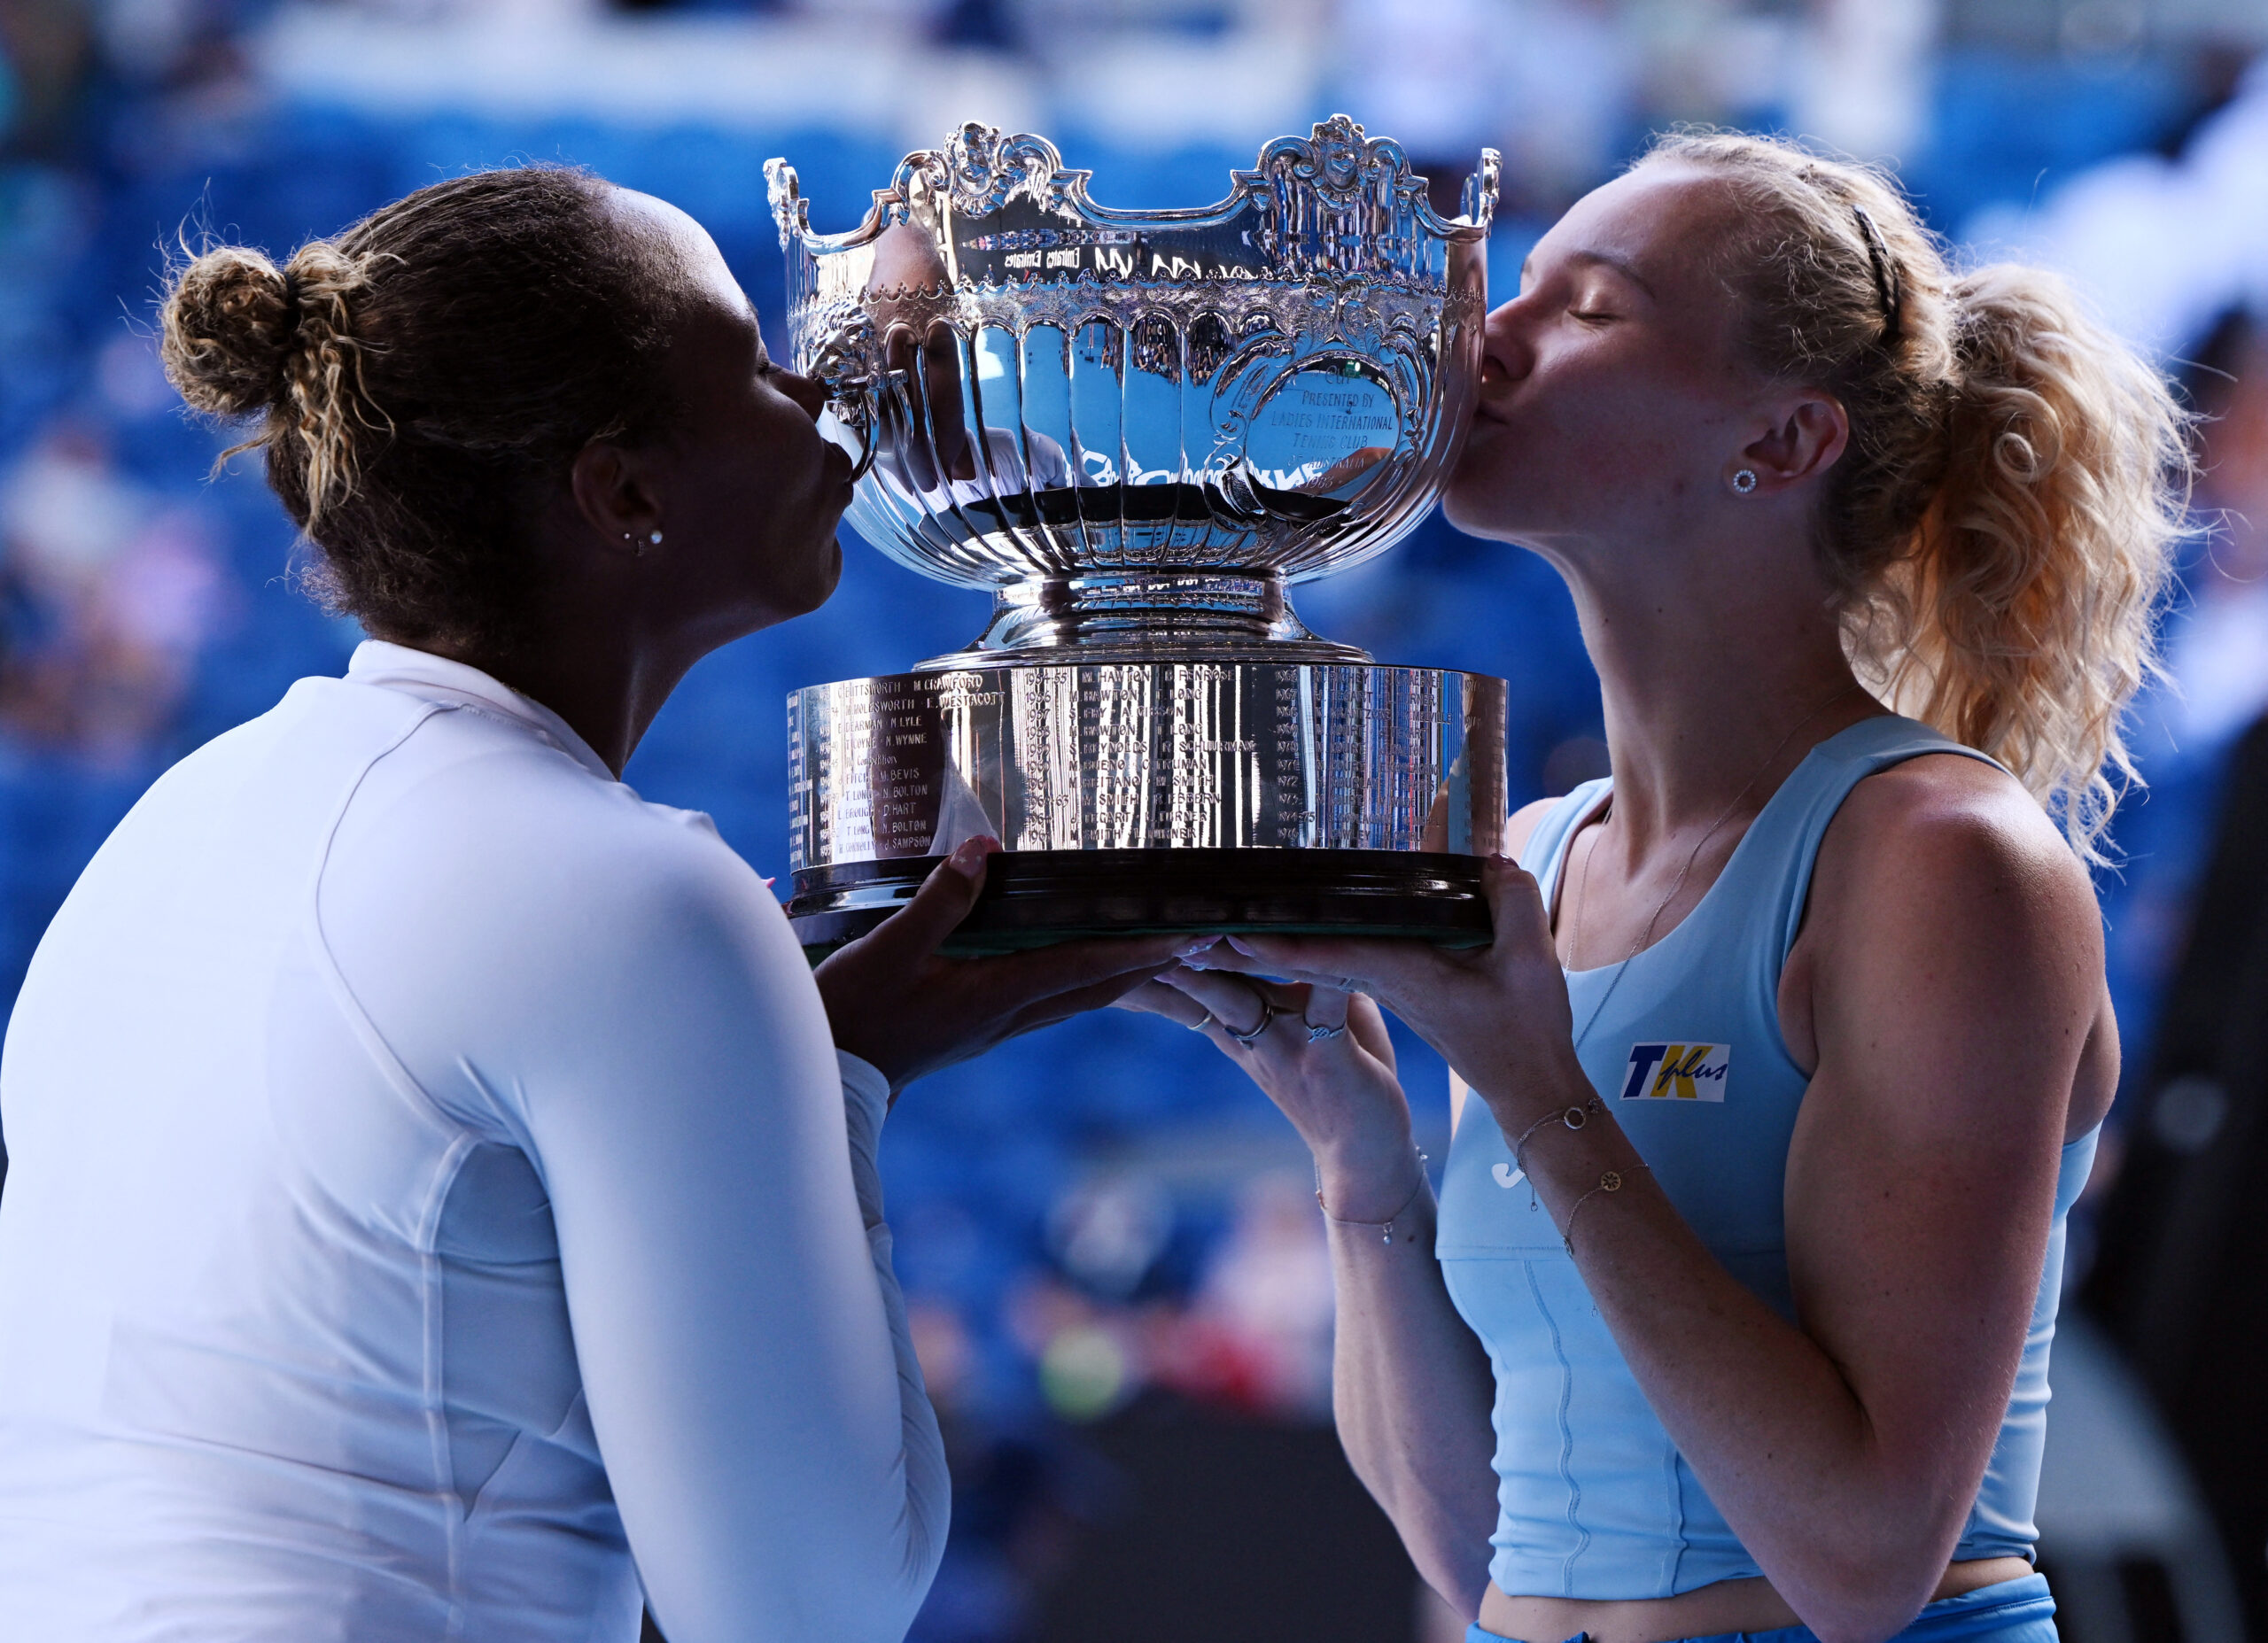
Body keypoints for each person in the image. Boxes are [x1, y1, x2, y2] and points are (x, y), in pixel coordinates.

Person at [0, 167, 1180, 1643]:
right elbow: (806, 1607)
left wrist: (813, 1061)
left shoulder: (175, 823)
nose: (818, 396)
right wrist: (842, 1092)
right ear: (624, 490)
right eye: (751, 365)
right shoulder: (628, 889)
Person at [1126, 131, 2186, 1643]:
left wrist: (1534, 1080)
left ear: (1780, 442)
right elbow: (1483, 1547)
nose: (1486, 332)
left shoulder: (1945, 862)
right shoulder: (1545, 855)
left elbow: (1863, 1558)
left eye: (1593, 308)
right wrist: (1360, 1163)